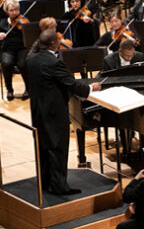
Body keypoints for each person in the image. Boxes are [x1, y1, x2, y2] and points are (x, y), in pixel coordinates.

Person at [28, 29, 100, 194]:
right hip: (54, 112)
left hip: (38, 110)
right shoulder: (54, 62)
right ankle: (59, 187)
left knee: (43, 146)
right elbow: (72, 84)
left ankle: (45, 182)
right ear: (54, 43)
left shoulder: (32, 58)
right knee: (58, 147)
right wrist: (91, 87)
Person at [0, 0, 29, 100]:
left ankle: (28, 88)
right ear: (7, 11)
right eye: (11, 10)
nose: (15, 12)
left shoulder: (23, 20)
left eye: (16, 9)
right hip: (8, 49)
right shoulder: (3, 23)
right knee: (7, 63)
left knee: (23, 64)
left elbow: (31, 34)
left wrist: (26, 27)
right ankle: (9, 89)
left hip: (22, 48)